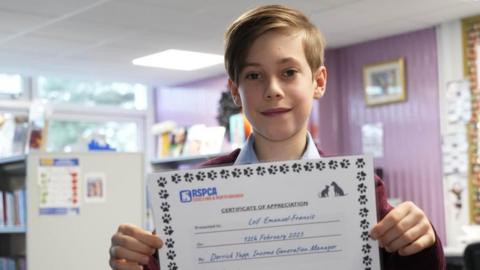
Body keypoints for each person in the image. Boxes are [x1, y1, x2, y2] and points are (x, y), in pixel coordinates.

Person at [109, 5, 445, 270]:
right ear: (236, 92)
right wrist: (136, 262)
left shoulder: (360, 188)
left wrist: (421, 240)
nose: (272, 90)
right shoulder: (196, 188)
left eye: (288, 72)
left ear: (318, 81)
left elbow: (411, 263)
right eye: (254, 75)